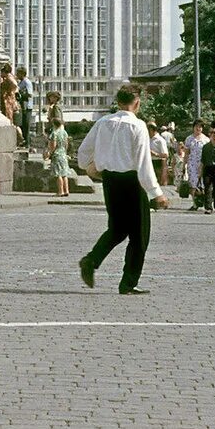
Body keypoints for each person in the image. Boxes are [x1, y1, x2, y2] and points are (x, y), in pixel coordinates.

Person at [77, 84, 169, 296]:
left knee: (117, 228)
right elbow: (144, 164)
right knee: (140, 235)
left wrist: (94, 167)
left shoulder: (102, 122)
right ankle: (128, 282)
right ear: (137, 102)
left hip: (110, 180)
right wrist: (157, 193)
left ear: (118, 101)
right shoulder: (137, 126)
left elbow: (83, 153)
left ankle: (91, 260)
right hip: (131, 181)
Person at [182, 119, 208, 210]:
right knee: (193, 184)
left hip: (202, 163)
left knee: (203, 184)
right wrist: (184, 165)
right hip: (192, 164)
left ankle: (204, 202)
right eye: (197, 126)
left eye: (200, 127)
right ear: (193, 127)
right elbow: (186, 153)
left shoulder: (206, 140)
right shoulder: (189, 139)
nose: (198, 128)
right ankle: (195, 203)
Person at [199, 127, 215, 214]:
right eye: (213, 136)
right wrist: (200, 171)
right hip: (208, 169)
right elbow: (202, 160)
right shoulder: (205, 147)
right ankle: (208, 207)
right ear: (210, 136)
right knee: (208, 188)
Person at [45, 118, 74, 197]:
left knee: (59, 174)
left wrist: (50, 153)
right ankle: (67, 190)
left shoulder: (54, 133)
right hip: (63, 154)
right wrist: (65, 151)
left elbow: (53, 145)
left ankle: (60, 191)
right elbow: (66, 144)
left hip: (57, 154)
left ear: (54, 124)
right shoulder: (64, 132)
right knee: (65, 174)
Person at [15, 67, 34, 149]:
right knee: (22, 124)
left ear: (22, 74)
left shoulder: (27, 82)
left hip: (27, 106)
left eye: (18, 73)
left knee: (26, 125)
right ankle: (24, 141)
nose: (17, 75)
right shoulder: (21, 82)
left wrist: (20, 95)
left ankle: (27, 143)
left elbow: (29, 94)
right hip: (22, 106)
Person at [149, 122, 170, 187]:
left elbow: (166, 155)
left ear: (151, 130)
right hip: (149, 162)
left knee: (156, 184)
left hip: (157, 163)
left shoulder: (160, 140)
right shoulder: (148, 139)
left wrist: (155, 154)